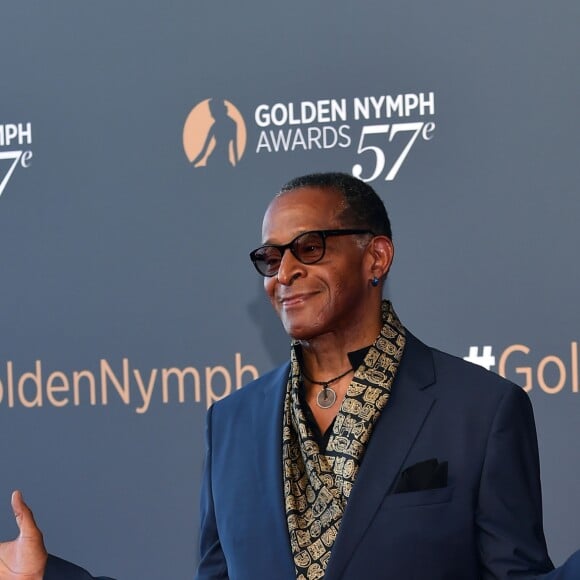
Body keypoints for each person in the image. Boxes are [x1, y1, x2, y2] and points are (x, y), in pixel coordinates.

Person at [1, 173, 579, 579]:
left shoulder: (479, 409)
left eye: (309, 247)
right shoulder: (232, 421)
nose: (286, 272)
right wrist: (51, 578)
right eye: (271, 258)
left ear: (375, 258)